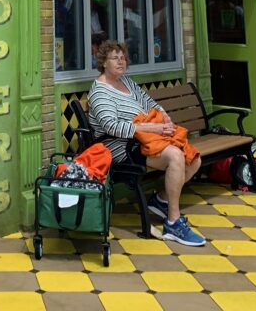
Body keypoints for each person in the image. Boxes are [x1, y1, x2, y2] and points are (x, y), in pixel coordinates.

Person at [87, 39, 205, 246]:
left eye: (123, 58)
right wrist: (154, 128)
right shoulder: (100, 92)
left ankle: (161, 200)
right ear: (104, 62)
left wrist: (163, 115)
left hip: (146, 140)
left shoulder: (127, 82)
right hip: (121, 147)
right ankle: (173, 222)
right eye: (115, 58)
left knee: (193, 159)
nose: (121, 62)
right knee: (176, 157)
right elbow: (112, 128)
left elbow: (150, 103)